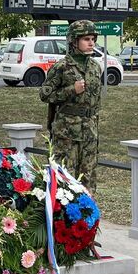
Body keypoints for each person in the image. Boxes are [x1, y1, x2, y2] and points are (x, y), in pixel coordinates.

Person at [40, 20, 102, 192]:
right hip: (67, 132)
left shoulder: (95, 67)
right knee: (65, 177)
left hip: (89, 131)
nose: (91, 43)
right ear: (74, 41)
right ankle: (64, 217)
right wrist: (71, 90)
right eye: (86, 39)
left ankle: (87, 216)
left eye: (93, 39)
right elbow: (45, 95)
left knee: (88, 177)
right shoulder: (61, 67)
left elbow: (96, 102)